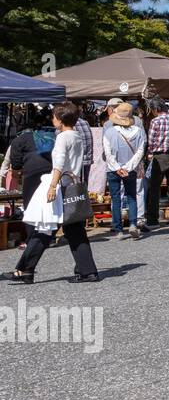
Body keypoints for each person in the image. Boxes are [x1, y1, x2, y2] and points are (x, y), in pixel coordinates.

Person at [8, 102, 99, 283]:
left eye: (54, 117)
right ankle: (87, 270)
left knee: (45, 227)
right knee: (72, 230)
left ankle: (25, 269)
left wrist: (52, 186)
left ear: (59, 119)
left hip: (60, 187)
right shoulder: (76, 135)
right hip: (71, 186)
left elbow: (58, 163)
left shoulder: (63, 137)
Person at [102, 100, 145, 240]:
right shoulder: (138, 132)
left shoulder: (109, 132)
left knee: (116, 198)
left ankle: (118, 229)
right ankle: (133, 224)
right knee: (132, 196)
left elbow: (107, 153)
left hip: (113, 169)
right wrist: (128, 167)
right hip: (130, 168)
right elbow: (140, 152)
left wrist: (118, 168)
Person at [145, 99, 169, 228]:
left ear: (155, 109)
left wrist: (150, 154)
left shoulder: (155, 121)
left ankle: (153, 220)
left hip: (159, 156)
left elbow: (151, 141)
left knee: (154, 188)